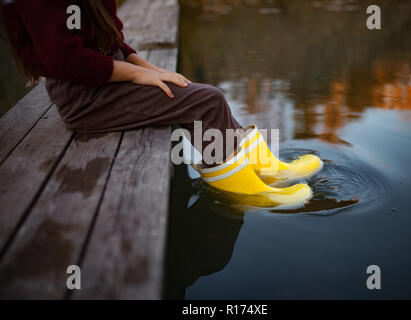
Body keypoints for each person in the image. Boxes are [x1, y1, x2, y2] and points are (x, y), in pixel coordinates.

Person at [1, 0, 322, 207]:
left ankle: (264, 170)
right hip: (85, 97)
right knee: (206, 101)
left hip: (103, 78)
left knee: (194, 90)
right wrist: (133, 75)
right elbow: (65, 61)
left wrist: (152, 69)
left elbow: (111, 40)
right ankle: (242, 192)